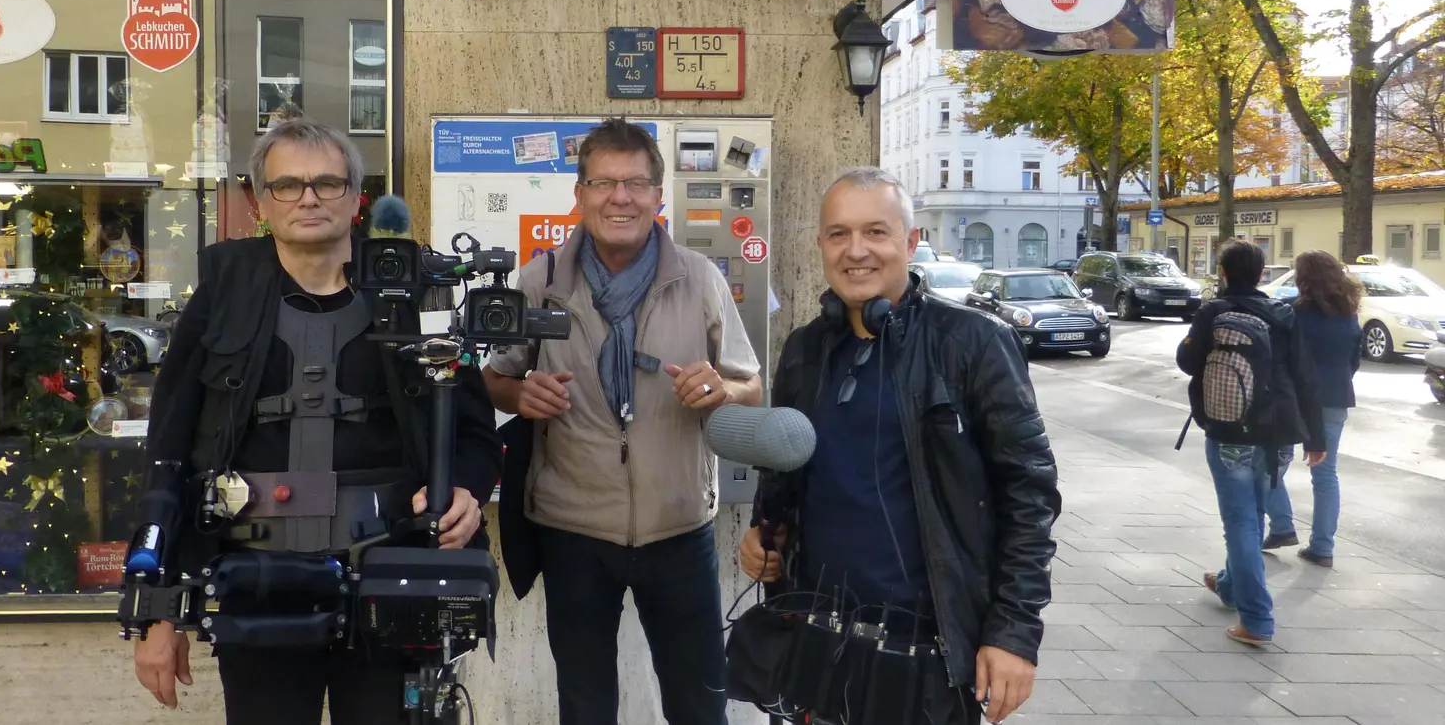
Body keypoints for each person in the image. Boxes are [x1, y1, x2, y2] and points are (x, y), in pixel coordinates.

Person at [129, 118, 503, 724]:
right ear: (259, 199)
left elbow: (475, 432)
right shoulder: (225, 292)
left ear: (356, 196)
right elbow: (169, 450)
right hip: (257, 590)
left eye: (327, 183)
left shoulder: (413, 290)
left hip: (392, 578)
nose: (308, 197)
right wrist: (158, 612)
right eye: (288, 185)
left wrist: (463, 486)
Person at [738, 167, 1060, 725]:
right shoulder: (804, 349)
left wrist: (1013, 632)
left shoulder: (974, 343)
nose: (855, 250)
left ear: (911, 242)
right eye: (838, 234)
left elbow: (1028, 495)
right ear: (820, 244)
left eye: (876, 232)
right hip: (815, 638)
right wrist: (767, 531)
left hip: (925, 655)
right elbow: (784, 474)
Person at [484, 117, 763, 725]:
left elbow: (751, 384)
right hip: (572, 528)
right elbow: (496, 380)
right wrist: (518, 393)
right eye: (604, 182)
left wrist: (722, 389)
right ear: (580, 194)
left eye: (635, 183)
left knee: (698, 702)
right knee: (585, 706)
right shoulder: (540, 282)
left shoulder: (700, 280)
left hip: (679, 529)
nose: (620, 197)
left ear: (658, 197)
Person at [1177, 238, 1326, 647]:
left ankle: (1257, 621)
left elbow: (1188, 362)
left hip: (1230, 432)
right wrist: (1316, 437)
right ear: (1262, 274)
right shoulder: (1284, 314)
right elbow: (1305, 377)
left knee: (1241, 524)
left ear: (1222, 272)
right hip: (1279, 432)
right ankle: (1229, 586)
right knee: (1254, 514)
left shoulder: (1213, 311)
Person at [1262, 249, 1362, 566]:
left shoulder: (1290, 312)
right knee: (1325, 474)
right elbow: (1353, 362)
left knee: (1270, 467)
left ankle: (1281, 525)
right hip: (1334, 399)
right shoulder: (1348, 316)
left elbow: (1278, 359)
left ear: (1303, 278)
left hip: (1292, 400)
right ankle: (1322, 547)